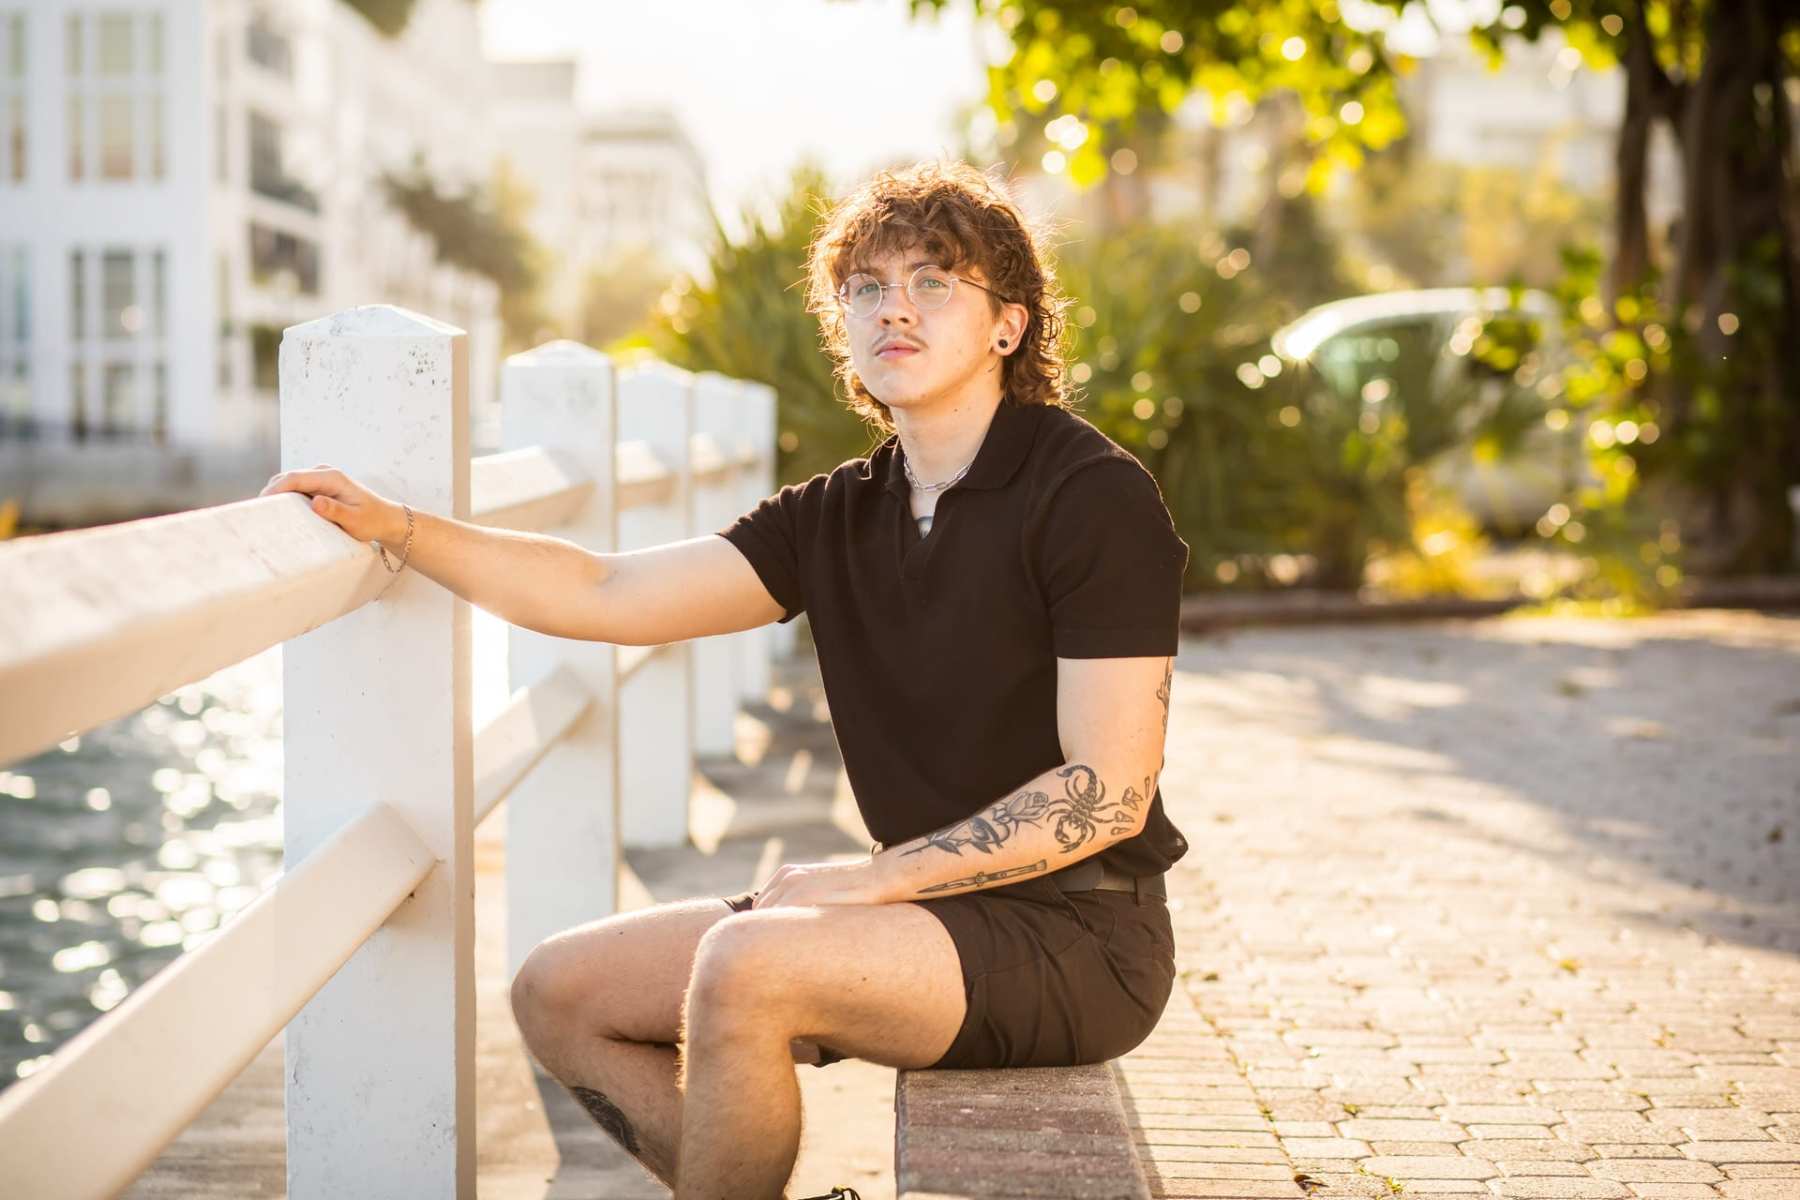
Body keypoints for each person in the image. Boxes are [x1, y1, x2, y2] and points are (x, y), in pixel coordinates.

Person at [259, 158, 1189, 1200]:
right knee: (560, 993)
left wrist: (873, 879)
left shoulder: (1090, 495)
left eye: (935, 282)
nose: (896, 309)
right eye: (868, 288)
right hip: (909, 923)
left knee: (743, 967)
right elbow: (604, 591)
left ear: (1008, 326)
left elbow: (1108, 793)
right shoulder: (838, 514)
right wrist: (404, 530)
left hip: (1078, 933)